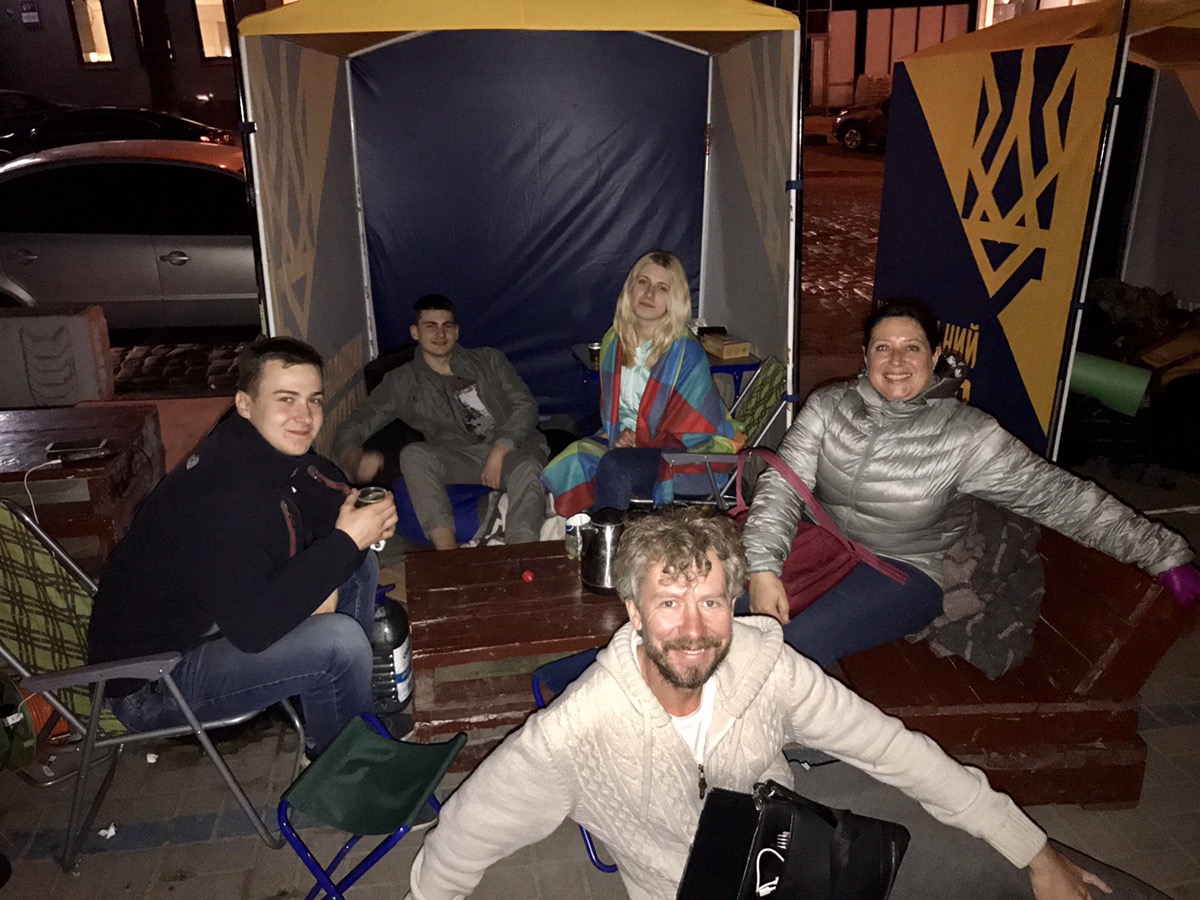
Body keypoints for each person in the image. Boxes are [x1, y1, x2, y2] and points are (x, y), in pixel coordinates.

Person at [406, 507, 1109, 900]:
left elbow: (894, 750)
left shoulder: (768, 668)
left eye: (712, 601)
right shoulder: (573, 734)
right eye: (669, 603)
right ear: (634, 613)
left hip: (791, 859)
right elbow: (463, 838)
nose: (693, 629)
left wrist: (1034, 850)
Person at [743, 300, 1200, 667]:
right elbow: (783, 487)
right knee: (722, 606)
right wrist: (763, 568)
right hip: (824, 548)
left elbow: (1060, 497)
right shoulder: (829, 406)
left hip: (904, 571)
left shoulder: (967, 435)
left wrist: (1162, 553)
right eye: (883, 347)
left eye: (912, 347)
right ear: (866, 357)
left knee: (793, 644)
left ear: (935, 356)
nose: (896, 360)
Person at [87, 337, 397, 757]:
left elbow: (321, 489)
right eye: (286, 399)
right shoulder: (222, 494)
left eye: (313, 400)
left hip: (210, 628)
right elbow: (254, 630)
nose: (305, 416)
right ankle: (340, 761)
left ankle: (333, 707)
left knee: (357, 566)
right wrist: (344, 542)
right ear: (245, 404)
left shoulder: (260, 446)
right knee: (339, 644)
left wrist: (359, 514)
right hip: (153, 681)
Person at [332, 294, 548, 549]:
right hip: (460, 457)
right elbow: (355, 424)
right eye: (430, 326)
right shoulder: (402, 382)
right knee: (413, 454)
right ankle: (448, 553)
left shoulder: (489, 360)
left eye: (447, 326)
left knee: (528, 468)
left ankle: (521, 555)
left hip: (514, 451)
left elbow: (525, 405)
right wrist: (354, 459)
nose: (440, 334)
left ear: (456, 332)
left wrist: (501, 448)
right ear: (415, 332)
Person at [540, 250, 740, 516]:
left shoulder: (685, 352)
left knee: (616, 467)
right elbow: (615, 415)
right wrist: (623, 434)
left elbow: (696, 430)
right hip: (634, 445)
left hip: (689, 454)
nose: (649, 293)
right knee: (574, 457)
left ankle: (609, 538)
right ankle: (579, 528)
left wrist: (640, 440)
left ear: (674, 299)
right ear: (630, 288)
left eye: (662, 288)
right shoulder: (613, 341)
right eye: (643, 282)